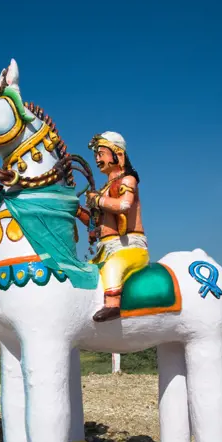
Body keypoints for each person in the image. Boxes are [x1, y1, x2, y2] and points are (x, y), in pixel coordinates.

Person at [77, 131, 149, 322]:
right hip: (105, 248)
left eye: (101, 154)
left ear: (118, 154)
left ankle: (113, 305)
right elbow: (95, 224)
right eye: (96, 156)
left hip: (129, 247)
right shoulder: (104, 190)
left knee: (113, 267)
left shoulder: (128, 180)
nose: (97, 159)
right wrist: (77, 211)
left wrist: (98, 200)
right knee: (83, 270)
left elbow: (124, 205)